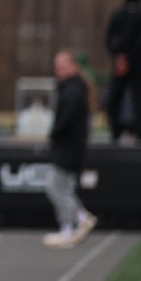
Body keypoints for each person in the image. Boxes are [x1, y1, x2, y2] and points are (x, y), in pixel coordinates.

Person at [45, 50, 98, 247]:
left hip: (69, 148)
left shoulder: (73, 90)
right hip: (72, 147)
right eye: (57, 65)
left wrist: (54, 134)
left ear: (74, 66)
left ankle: (76, 221)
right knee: (62, 188)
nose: (59, 69)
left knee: (55, 187)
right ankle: (72, 225)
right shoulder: (72, 87)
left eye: (64, 65)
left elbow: (65, 121)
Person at [104, 0, 141, 142]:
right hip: (136, 63)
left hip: (121, 63)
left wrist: (119, 57)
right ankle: (139, 133)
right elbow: (139, 41)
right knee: (139, 98)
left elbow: (110, 38)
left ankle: (115, 130)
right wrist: (128, 58)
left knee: (115, 97)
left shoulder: (118, 14)